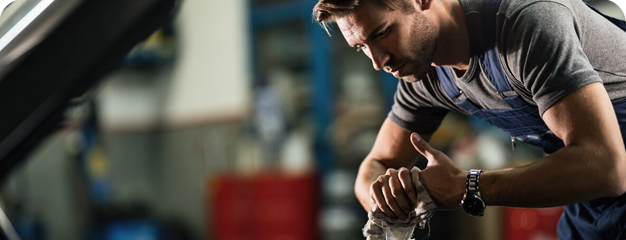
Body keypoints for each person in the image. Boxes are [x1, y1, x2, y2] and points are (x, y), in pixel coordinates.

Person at [312, 0, 626, 239]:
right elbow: (373, 166)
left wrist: (467, 187)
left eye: (382, 33)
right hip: (594, 199)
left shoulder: (525, 24)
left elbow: (606, 167)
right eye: (361, 48)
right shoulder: (423, 77)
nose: (378, 62)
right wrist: (391, 198)